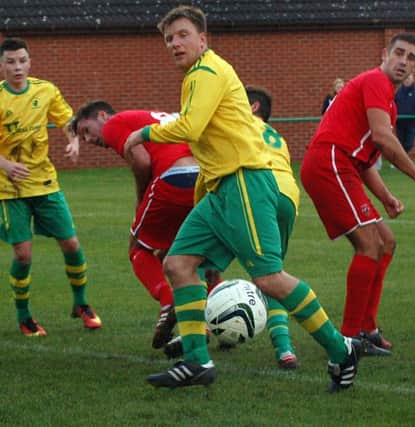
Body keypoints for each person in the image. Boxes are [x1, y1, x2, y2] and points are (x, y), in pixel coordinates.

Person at [122, 5, 359, 391]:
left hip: (244, 182)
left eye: (183, 35)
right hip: (221, 190)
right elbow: (206, 142)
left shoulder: (208, 71)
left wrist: (143, 134)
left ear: (203, 39)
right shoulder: (198, 76)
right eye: (169, 38)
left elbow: (191, 126)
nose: (175, 43)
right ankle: (198, 361)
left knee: (268, 277)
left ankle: (340, 350)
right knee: (179, 264)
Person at [300, 33, 415, 357]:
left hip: (343, 165)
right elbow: (383, 139)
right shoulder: (375, 82)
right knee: (369, 245)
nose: (404, 61)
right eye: (399, 53)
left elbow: (365, 161)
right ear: (385, 54)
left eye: (411, 57)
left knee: (386, 242)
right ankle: (349, 339)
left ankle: (367, 328)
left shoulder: (388, 102)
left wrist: (386, 196)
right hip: (329, 163)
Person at [163, 85, 300, 370]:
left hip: (251, 192)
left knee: (190, 263)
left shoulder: (236, 128)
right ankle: (284, 349)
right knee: (275, 276)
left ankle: (198, 329)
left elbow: (215, 168)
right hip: (287, 196)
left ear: (252, 108)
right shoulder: (278, 137)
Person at [71, 100, 199, 349]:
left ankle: (168, 300)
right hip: (202, 179)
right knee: (189, 254)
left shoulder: (115, 123)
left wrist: (141, 199)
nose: (87, 140)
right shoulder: (157, 115)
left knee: (138, 247)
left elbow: (142, 163)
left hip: (174, 177)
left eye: (86, 130)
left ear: (102, 115)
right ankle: (203, 323)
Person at [0, 37, 101, 336]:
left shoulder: (46, 90)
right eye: (11, 62)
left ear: (30, 62)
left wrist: (73, 143)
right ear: (2, 65)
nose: (17, 67)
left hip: (45, 183)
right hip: (9, 188)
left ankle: (81, 303)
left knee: (71, 243)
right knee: (23, 255)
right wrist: (5, 165)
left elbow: (68, 121)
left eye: (22, 61)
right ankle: (24, 316)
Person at [394, 73, 415, 154]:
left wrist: (412, 114)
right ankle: (399, 159)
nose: (407, 80)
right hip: (399, 122)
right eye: (405, 79)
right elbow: (393, 104)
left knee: (409, 143)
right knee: (400, 142)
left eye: (409, 78)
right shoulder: (398, 93)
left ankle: (403, 157)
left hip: (411, 123)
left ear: (412, 80)